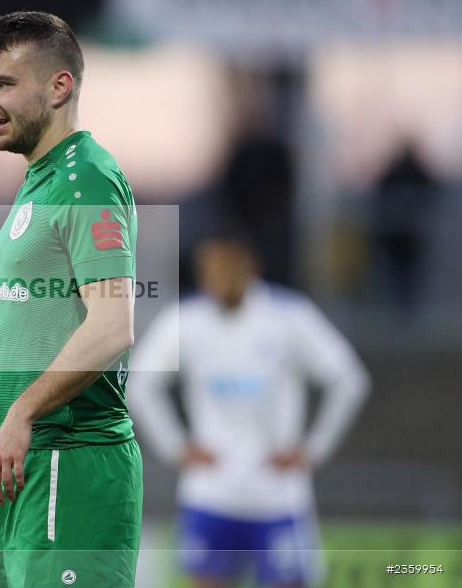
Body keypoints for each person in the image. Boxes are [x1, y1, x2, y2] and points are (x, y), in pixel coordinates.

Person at [0, 11, 142, 587]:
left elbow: (111, 326)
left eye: (2, 84)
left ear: (60, 86)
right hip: (21, 464)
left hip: (72, 464)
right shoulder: (42, 180)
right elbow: (45, 331)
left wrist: (22, 415)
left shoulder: (90, 181)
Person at [128, 223, 370, 588]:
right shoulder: (187, 320)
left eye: (226, 264)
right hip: (211, 492)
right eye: (209, 266)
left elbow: (350, 381)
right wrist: (175, 446)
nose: (217, 275)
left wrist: (313, 449)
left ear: (248, 265)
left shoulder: (289, 316)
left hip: (277, 494)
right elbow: (140, 383)